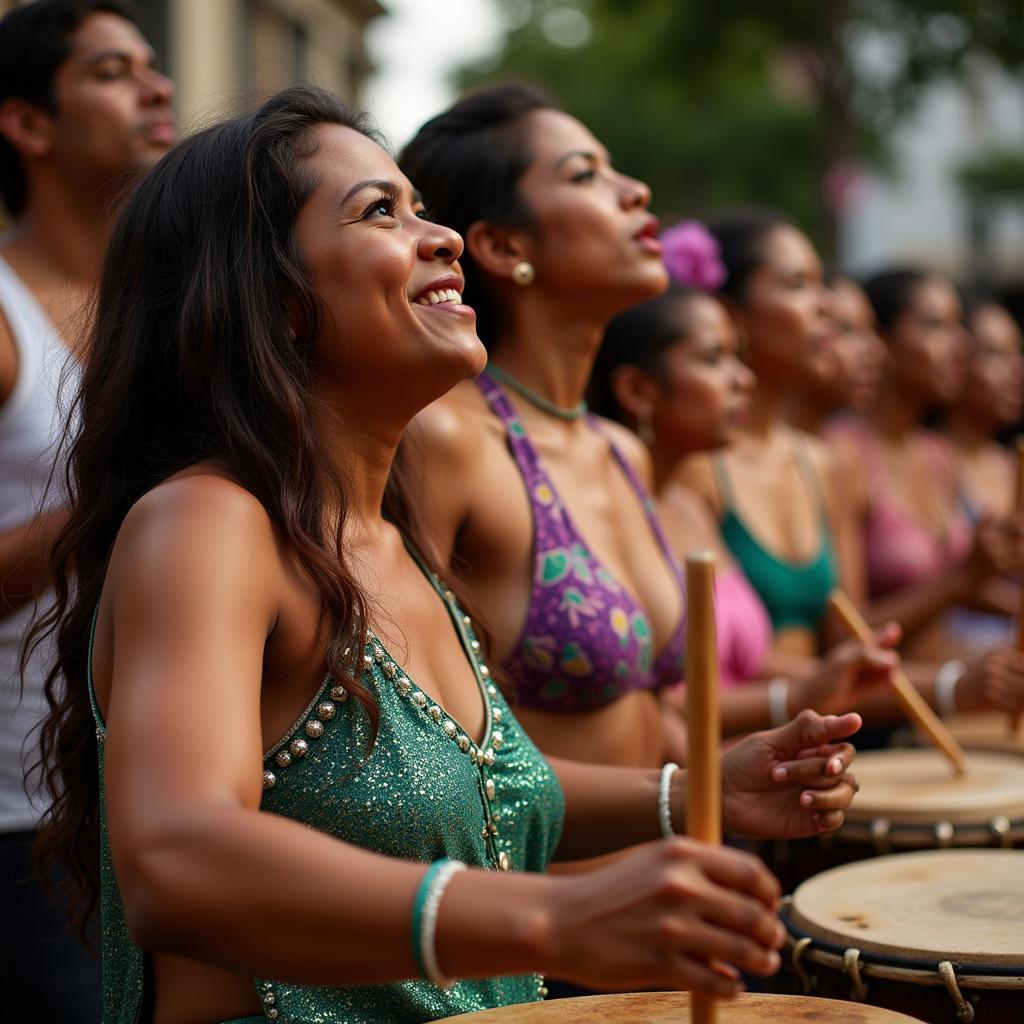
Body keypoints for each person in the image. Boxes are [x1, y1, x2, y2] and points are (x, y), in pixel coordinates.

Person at [30, 85, 861, 1024]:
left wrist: (698, 787)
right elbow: (177, 862)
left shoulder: (391, 537)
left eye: (423, 206)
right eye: (380, 212)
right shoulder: (210, 525)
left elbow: (492, 795)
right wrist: (550, 915)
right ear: (275, 297)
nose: (443, 237)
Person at [593, 257, 1024, 732]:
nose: (744, 378)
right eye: (715, 359)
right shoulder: (650, 497)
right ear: (637, 390)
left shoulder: (684, 505)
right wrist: (947, 680)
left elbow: (762, 666)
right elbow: (661, 713)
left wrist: (948, 684)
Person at [0, 1, 174, 1017]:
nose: (156, 88)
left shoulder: (171, 300)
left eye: (153, 66)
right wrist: (124, 497)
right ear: (28, 124)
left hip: (171, 795)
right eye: (113, 71)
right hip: (26, 817)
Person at [674, 212, 846, 657]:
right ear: (732, 315)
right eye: (797, 284)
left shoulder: (822, 461)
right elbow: (699, 672)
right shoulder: (692, 469)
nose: (828, 306)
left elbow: (848, 641)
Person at [835, 269, 1024, 659]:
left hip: (946, 687)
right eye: (936, 326)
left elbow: (956, 592)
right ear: (882, 340)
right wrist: (965, 577)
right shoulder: (844, 451)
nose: (959, 346)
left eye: (958, 328)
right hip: (879, 710)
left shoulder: (936, 453)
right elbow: (845, 635)